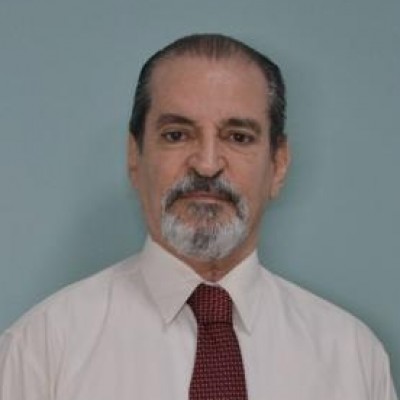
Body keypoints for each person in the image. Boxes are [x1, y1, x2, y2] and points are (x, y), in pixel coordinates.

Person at [0, 33, 397, 400]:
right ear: (135, 157)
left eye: (238, 137)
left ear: (278, 165)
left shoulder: (353, 359)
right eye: (177, 134)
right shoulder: (41, 350)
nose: (207, 164)